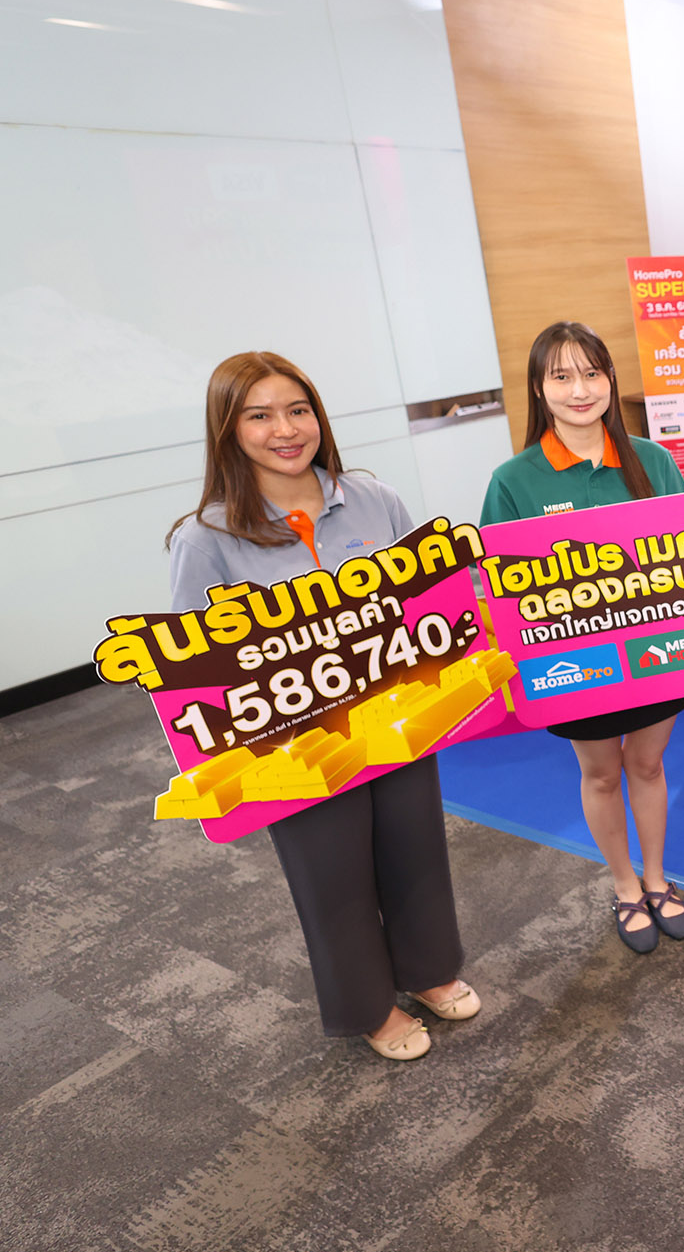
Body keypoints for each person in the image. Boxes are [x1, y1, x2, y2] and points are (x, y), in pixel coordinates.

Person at [167, 352, 480, 1062]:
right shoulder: (204, 537)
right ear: (228, 429)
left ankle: (429, 969)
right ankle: (368, 1006)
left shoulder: (372, 498)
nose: (285, 429)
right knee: (331, 875)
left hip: (396, 716)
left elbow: (425, 598)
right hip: (294, 744)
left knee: (416, 848)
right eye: (260, 415)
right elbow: (193, 666)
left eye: (298, 409)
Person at [480, 322, 684, 955]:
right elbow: (496, 584)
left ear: (609, 379)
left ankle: (657, 877)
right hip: (575, 660)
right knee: (601, 775)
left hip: (658, 651)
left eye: (592, 374)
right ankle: (626, 886)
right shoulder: (513, 480)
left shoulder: (653, 460)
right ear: (538, 389)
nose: (580, 390)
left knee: (648, 764)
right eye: (561, 376)